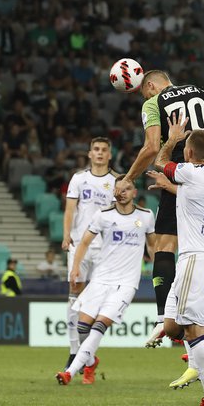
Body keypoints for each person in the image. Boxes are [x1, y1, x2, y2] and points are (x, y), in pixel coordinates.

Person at [114, 70, 204, 348]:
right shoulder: (202, 92)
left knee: (164, 245)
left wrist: (129, 177)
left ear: (151, 85)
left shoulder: (154, 104)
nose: (146, 97)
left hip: (179, 171)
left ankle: (160, 318)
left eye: (145, 91)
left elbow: (151, 147)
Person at [149, 114, 204, 405]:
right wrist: (169, 186)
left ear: (190, 152)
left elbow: (159, 161)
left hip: (195, 260)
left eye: (186, 149)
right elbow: (188, 194)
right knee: (171, 327)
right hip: (195, 261)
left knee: (195, 330)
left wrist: (172, 139)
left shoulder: (190, 172)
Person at [56, 176, 156, 386]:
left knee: (99, 326)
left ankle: (70, 372)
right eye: (118, 189)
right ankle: (90, 362)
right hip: (101, 279)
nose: (122, 193)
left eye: (126, 189)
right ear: (113, 193)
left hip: (126, 283)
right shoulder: (103, 215)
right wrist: (75, 267)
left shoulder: (146, 216)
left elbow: (153, 248)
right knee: (82, 327)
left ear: (134, 192)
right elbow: (84, 242)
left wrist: (160, 272)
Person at [61, 137, 118, 371]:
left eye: (104, 150)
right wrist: (66, 236)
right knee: (74, 294)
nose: (100, 153)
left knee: (98, 302)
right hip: (79, 246)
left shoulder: (116, 181)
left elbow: (118, 216)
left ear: (110, 155)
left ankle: (89, 354)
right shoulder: (79, 179)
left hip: (105, 248)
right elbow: (70, 209)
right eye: (96, 149)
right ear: (89, 153)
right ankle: (74, 351)